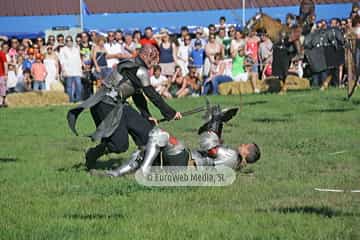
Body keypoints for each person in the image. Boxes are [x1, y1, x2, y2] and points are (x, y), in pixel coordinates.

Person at [67, 44, 182, 170]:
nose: (153, 61)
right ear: (144, 56)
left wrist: (147, 116)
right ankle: (93, 153)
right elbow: (152, 95)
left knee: (146, 131)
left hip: (119, 105)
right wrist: (171, 113)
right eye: (152, 57)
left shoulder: (133, 66)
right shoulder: (139, 70)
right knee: (119, 145)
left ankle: (150, 164)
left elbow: (138, 95)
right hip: (105, 104)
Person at [104, 105, 260, 177]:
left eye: (246, 146)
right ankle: (116, 173)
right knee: (144, 152)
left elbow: (210, 148)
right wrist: (218, 126)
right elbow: (214, 151)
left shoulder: (232, 156)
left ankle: (141, 171)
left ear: (248, 152)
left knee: (159, 134)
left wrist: (216, 122)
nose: (242, 145)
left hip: (186, 162)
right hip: (187, 166)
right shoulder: (233, 163)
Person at [59, 36, 83, 102]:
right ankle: (70, 100)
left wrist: (80, 69)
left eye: (70, 40)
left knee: (79, 85)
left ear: (72, 41)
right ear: (65, 42)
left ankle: (78, 99)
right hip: (68, 71)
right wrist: (63, 70)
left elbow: (79, 60)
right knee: (69, 87)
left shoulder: (76, 49)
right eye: (67, 41)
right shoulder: (63, 49)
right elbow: (61, 61)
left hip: (76, 70)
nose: (69, 42)